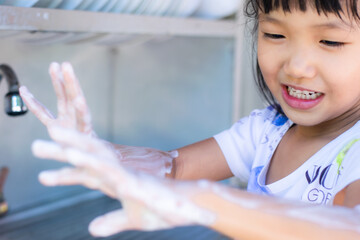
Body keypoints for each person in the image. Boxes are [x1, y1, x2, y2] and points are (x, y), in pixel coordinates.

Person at [19, 0, 360, 239]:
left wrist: (206, 202)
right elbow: (177, 168)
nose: (296, 66)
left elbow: (347, 228)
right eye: (275, 35)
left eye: (330, 41)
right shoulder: (267, 131)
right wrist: (107, 157)